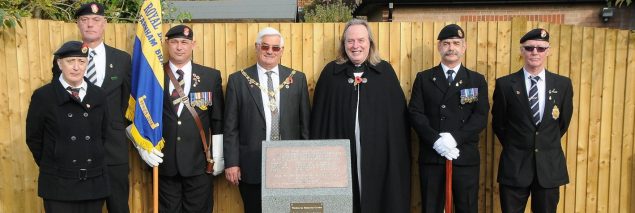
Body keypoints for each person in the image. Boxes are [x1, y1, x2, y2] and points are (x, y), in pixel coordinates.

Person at [309, 19, 411, 213]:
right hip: (338, 158)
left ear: (370, 43)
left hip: (378, 155)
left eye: (361, 40)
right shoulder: (331, 73)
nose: (356, 46)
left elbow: (397, 123)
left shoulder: (385, 72)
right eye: (350, 41)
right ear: (343, 45)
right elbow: (320, 121)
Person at [132, 25, 224, 212]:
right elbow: (137, 112)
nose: (179, 47)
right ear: (167, 44)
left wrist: (220, 155)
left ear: (193, 45)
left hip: (199, 163)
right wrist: (142, 147)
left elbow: (217, 119)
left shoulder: (210, 76)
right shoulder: (154, 76)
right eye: (174, 42)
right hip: (164, 163)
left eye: (184, 42)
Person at [51, 3, 132, 212]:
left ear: (104, 23)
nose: (90, 24)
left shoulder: (122, 59)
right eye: (85, 20)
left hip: (114, 149)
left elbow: (126, 102)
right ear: (78, 24)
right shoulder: (66, 60)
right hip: (78, 149)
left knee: (119, 207)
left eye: (96, 20)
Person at [224, 27, 311, 213]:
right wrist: (231, 162)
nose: (270, 51)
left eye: (275, 48)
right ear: (257, 47)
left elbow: (305, 125)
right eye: (265, 47)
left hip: (290, 164)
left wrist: (306, 162)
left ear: (282, 51)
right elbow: (230, 127)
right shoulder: (238, 80)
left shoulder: (297, 79)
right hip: (252, 164)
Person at [408, 24, 489, 213]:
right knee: (431, 208)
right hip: (433, 156)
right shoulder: (425, 78)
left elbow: (480, 116)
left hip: (464, 156)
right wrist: (436, 140)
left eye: (456, 43)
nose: (451, 48)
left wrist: (454, 139)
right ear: (439, 47)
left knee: (467, 208)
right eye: (446, 43)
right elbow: (415, 113)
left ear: (464, 47)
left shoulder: (476, 80)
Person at [492, 28, 573, 213]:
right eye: (529, 48)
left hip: (549, 168)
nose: (535, 52)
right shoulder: (505, 85)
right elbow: (499, 124)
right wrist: (517, 145)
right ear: (522, 51)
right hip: (515, 166)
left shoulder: (562, 84)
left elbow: (562, 123)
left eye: (540, 48)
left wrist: (542, 142)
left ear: (548, 51)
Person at [27, 41, 110, 212]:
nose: (76, 67)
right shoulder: (44, 96)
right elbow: (34, 138)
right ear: (59, 63)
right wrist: (54, 161)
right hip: (58, 184)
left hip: (93, 182)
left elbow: (103, 134)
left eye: (81, 62)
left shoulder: (99, 95)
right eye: (70, 61)